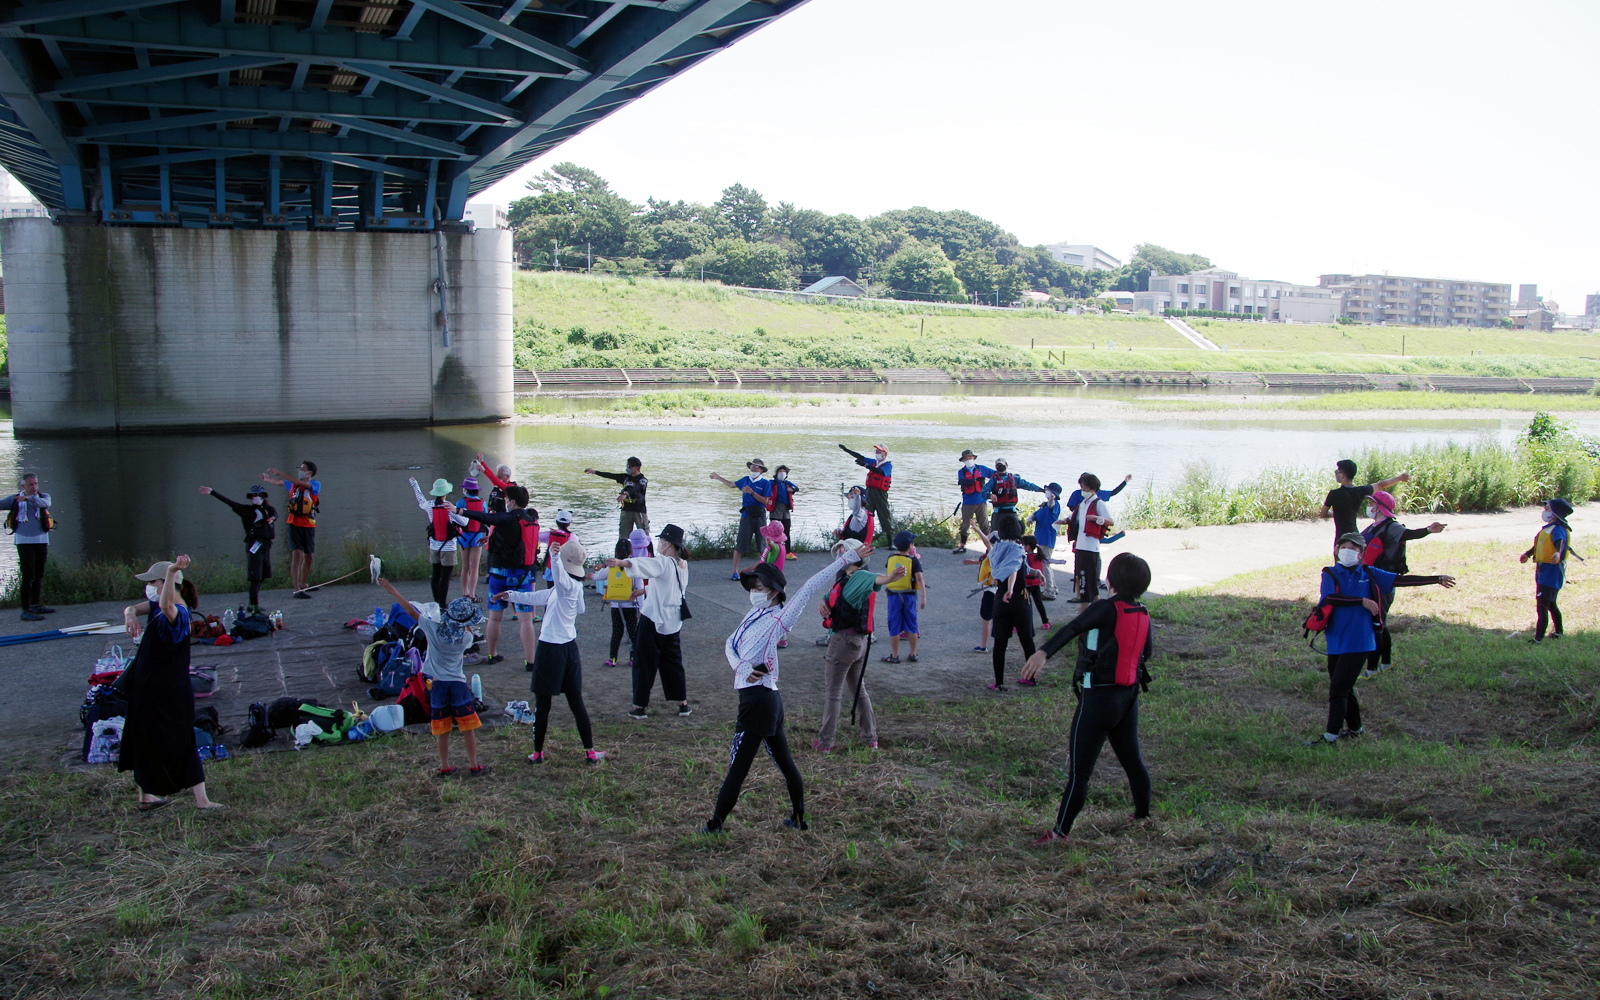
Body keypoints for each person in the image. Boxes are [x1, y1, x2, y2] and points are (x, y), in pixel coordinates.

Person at [702, 541, 872, 835]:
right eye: (752, 587)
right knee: (784, 762)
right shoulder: (752, 616)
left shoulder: (780, 616)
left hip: (759, 703)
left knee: (738, 768)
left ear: (774, 592)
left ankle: (715, 825)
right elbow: (729, 644)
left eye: (760, 588)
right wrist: (741, 667)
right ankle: (799, 818)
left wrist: (847, 558)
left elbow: (808, 587)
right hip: (765, 700)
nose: (754, 592)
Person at [1020, 553, 1156, 845]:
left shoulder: (1105, 608)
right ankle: (1143, 816)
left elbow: (1072, 629)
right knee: (1134, 762)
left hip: (1098, 701)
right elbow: (1148, 653)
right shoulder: (1143, 611)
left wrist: (1043, 653)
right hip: (1128, 700)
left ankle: (1060, 834)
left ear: (1111, 580)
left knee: (1080, 772)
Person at [1310, 532, 1456, 745]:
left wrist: (1436, 579)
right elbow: (1330, 597)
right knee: (1342, 685)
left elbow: (1401, 580)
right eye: (1343, 547)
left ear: (1362, 553)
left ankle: (1330, 736)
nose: (1347, 551)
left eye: (1353, 548)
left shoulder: (1370, 573)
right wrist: (1361, 601)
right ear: (1336, 550)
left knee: (1338, 689)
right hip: (1336, 639)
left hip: (1360, 641)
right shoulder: (1330, 573)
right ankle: (1356, 729)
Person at [117, 556, 223, 812]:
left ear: (165, 584)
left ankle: (201, 800)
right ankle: (149, 796)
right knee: (146, 736)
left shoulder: (178, 611)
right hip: (149, 683)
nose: (150, 586)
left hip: (166, 686)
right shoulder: (156, 605)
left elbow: (167, 606)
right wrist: (129, 613)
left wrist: (174, 570)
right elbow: (136, 607)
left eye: (154, 581)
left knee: (178, 736)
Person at [495, 538, 606, 764]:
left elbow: (558, 577)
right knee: (576, 702)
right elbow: (539, 598)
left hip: (550, 650)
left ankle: (537, 753)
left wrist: (555, 556)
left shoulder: (565, 586)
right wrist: (511, 595)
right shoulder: (570, 589)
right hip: (569, 650)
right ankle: (590, 752)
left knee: (543, 704)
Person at [378, 579, 489, 775]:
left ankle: (445, 766)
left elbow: (411, 612)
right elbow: (468, 629)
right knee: (467, 727)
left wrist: (393, 591)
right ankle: (473, 764)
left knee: (442, 728)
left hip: (437, 685)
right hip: (458, 685)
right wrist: (468, 623)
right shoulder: (466, 639)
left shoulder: (432, 628)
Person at [815, 542, 904, 752]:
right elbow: (829, 598)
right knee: (858, 691)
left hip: (843, 644)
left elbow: (878, 579)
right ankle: (870, 738)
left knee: (833, 693)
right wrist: (822, 602)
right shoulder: (844, 579)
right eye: (838, 550)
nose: (838, 552)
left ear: (855, 556)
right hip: (859, 644)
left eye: (843, 550)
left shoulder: (860, 576)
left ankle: (825, 743)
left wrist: (891, 578)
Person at [606, 523, 692, 720]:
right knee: (673, 662)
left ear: (668, 544)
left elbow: (643, 565)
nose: (659, 543)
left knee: (644, 662)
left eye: (661, 541)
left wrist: (622, 562)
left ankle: (639, 707)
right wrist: (645, 590)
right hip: (673, 620)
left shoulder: (662, 561)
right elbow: (670, 585)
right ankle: (683, 704)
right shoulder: (682, 564)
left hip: (654, 618)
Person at [1358, 490, 1446, 676]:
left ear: (1380, 508)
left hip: (1383, 581)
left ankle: (1372, 668)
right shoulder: (1373, 526)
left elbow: (1409, 534)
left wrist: (1428, 530)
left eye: (1372, 503)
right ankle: (1385, 663)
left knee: (1377, 624)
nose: (1369, 507)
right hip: (1371, 579)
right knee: (1380, 623)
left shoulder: (1392, 527)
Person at [455, 484, 539, 667]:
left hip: (499, 574)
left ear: (513, 502)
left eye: (508, 499)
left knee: (495, 617)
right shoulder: (530, 519)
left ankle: (492, 654)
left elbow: (484, 517)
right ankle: (530, 661)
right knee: (526, 620)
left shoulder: (506, 518)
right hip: (522, 576)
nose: (506, 502)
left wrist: (459, 511)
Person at [198, 483, 276, 613]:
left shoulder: (269, 509)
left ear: (263, 497)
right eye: (254, 496)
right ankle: (255, 607)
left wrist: (273, 518)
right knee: (255, 577)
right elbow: (229, 502)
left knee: (262, 575)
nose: (256, 498)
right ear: (250, 498)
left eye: (259, 495)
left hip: (266, 545)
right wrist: (212, 492)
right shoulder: (246, 510)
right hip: (254, 545)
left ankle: (251, 603)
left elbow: (275, 514)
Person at [986, 514, 1036, 692]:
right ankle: (1031, 678)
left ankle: (998, 683)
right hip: (1020, 599)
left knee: (1000, 643)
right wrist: (1012, 587)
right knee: (1026, 640)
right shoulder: (1019, 550)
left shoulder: (996, 550)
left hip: (1000, 599)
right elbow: (1016, 568)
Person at [1320, 459, 1409, 554]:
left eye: (1337, 472)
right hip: (1355, 535)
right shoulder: (1361, 491)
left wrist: (1337, 513)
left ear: (1342, 475)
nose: (1336, 474)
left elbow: (1323, 514)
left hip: (1341, 537)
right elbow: (1382, 484)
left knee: (1341, 565)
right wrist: (1400, 478)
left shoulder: (1334, 494)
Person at [263, 461, 320, 599]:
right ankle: (296, 589)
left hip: (308, 525)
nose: (299, 470)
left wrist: (279, 472)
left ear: (309, 473)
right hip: (293, 524)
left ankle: (304, 584)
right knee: (296, 555)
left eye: (302, 469)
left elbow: (301, 484)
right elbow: (279, 482)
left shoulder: (315, 485)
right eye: (299, 468)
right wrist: (268, 479)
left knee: (309, 557)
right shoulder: (293, 485)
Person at [2, 472, 54, 621]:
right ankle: (25, 610)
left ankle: (35, 605)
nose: (34, 487)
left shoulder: (43, 497)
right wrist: (22, 499)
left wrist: (29, 498)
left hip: (41, 541)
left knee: (39, 574)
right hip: (24, 542)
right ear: (23, 486)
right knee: (28, 575)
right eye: (31, 484)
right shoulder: (14, 500)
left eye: (36, 483)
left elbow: (46, 504)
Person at [1520, 498, 1573, 644]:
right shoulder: (1549, 528)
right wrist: (1528, 554)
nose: (1544, 511)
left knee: (1542, 605)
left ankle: (1538, 639)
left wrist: (1557, 553)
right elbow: (1539, 544)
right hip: (1544, 572)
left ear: (1555, 513)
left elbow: (1560, 542)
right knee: (1550, 604)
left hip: (1551, 573)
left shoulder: (1558, 529)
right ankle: (1559, 632)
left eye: (1548, 509)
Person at [410, 478, 469, 606]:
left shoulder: (429, 505)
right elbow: (465, 522)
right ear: (446, 493)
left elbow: (420, 501)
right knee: (445, 577)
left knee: (435, 574)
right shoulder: (449, 507)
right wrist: (456, 510)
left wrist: (415, 484)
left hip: (434, 545)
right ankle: (443, 604)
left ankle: (436, 603)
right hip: (448, 547)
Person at [710, 459, 772, 580]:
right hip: (746, 515)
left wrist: (752, 492)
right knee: (740, 544)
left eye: (757, 467)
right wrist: (718, 477)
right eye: (752, 466)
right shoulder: (745, 480)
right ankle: (734, 572)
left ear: (761, 470)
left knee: (761, 545)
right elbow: (732, 484)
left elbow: (765, 501)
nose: (753, 469)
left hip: (760, 515)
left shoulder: (765, 483)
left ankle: (763, 571)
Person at [593, 538, 642, 668]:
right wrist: (642, 608)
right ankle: (633, 657)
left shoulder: (610, 567)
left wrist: (590, 575)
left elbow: (598, 577)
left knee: (617, 632)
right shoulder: (633, 567)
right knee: (633, 632)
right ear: (630, 553)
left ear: (616, 552)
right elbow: (639, 588)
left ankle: (613, 658)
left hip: (615, 604)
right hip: (630, 604)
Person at [1068, 475, 1115, 604]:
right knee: (1083, 579)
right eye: (1081, 486)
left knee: (1088, 580)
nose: (1082, 489)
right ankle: (1096, 606)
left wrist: (1097, 518)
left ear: (1093, 489)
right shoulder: (1083, 504)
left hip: (1090, 547)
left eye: (1085, 487)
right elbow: (1074, 517)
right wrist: (1064, 521)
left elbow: (1110, 521)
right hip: (1080, 546)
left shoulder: (1098, 503)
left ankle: (1085, 610)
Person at [882, 530, 924, 663]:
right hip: (909, 596)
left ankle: (894, 655)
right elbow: (919, 579)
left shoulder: (890, 558)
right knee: (912, 625)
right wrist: (924, 596)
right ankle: (913, 653)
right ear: (911, 545)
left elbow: (889, 572)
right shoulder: (914, 560)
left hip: (893, 596)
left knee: (894, 625)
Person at [839, 442, 894, 544]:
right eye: (876, 451)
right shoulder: (874, 462)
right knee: (865, 514)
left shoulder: (887, 465)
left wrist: (865, 465)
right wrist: (846, 450)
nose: (876, 452)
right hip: (869, 491)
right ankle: (863, 540)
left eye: (879, 451)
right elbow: (860, 456)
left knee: (884, 515)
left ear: (884, 454)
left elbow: (880, 472)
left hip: (880, 494)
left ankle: (890, 543)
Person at [585, 458, 649, 541]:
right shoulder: (625, 477)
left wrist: (625, 494)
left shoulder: (643, 480)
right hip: (626, 510)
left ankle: (648, 553)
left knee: (644, 535)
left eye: (629, 466)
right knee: (623, 537)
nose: (627, 468)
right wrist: (595, 472)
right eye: (627, 465)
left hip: (639, 511)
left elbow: (636, 488)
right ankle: (623, 552)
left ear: (636, 468)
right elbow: (610, 475)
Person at [961, 531, 1000, 653]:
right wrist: (973, 562)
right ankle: (1002, 643)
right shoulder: (1004, 554)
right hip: (1000, 591)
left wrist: (977, 529)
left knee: (987, 620)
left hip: (990, 591)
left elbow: (987, 543)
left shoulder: (994, 552)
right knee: (999, 619)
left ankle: (983, 646)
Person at [1021, 534, 1067, 636]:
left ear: (1027, 546)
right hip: (1036, 584)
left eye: (1023, 544)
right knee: (1039, 604)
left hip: (1027, 585)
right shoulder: (1038, 556)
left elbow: (1025, 568)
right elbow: (1050, 560)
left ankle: (1020, 625)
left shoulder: (1025, 557)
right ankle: (1045, 622)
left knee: (1024, 606)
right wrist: (1061, 562)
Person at [954, 450, 995, 554]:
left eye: (970, 458)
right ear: (963, 460)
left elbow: (994, 475)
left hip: (981, 501)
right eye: (966, 458)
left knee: (985, 525)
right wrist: (975, 480)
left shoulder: (982, 469)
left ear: (974, 458)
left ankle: (991, 547)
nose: (969, 460)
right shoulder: (961, 472)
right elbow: (962, 482)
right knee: (965, 525)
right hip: (968, 502)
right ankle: (962, 545)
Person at [455, 476, 487, 601]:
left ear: (466, 490)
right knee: (475, 567)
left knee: (465, 566)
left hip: (463, 537)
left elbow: (455, 517)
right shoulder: (482, 502)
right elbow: (485, 518)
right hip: (477, 536)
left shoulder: (461, 502)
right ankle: (472, 594)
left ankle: (464, 592)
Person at [1030, 484, 1065, 598]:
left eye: (1048, 491)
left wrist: (1051, 499)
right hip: (1040, 538)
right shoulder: (1043, 506)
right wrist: (1031, 519)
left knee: (1045, 564)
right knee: (1045, 564)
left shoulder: (1054, 505)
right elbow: (1035, 514)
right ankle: (1053, 587)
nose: (1046, 492)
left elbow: (1052, 505)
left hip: (1047, 539)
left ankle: (1049, 591)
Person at [769, 465, 800, 559]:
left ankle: (788, 552)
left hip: (785, 510)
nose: (782, 472)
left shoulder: (788, 483)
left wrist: (792, 489)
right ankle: (773, 550)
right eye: (780, 470)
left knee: (786, 531)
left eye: (784, 471)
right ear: (776, 473)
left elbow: (796, 488)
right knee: (774, 532)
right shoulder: (772, 483)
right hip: (775, 509)